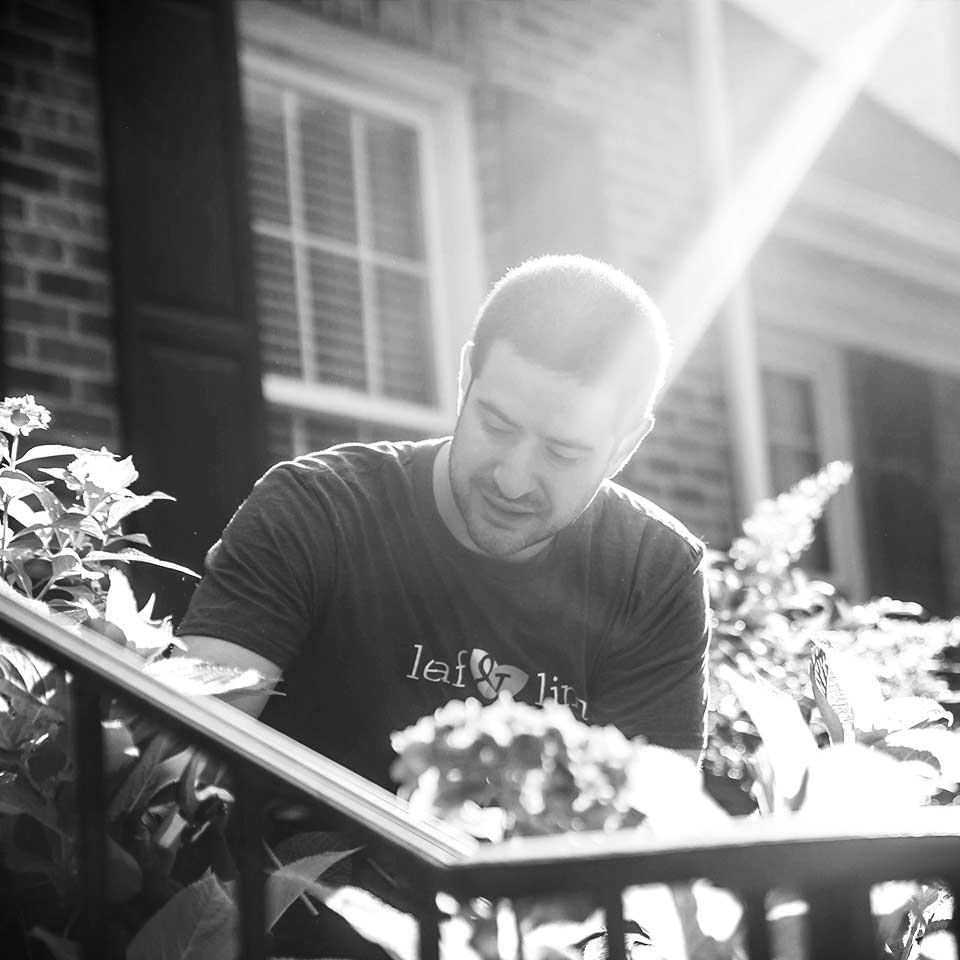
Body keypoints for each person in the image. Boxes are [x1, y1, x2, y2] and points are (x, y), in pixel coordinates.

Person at [177, 254, 711, 792]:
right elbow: (185, 759)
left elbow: (655, 817)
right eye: (496, 425)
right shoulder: (316, 509)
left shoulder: (653, 571)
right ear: (465, 379)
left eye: (563, 453)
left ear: (626, 446)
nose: (512, 480)